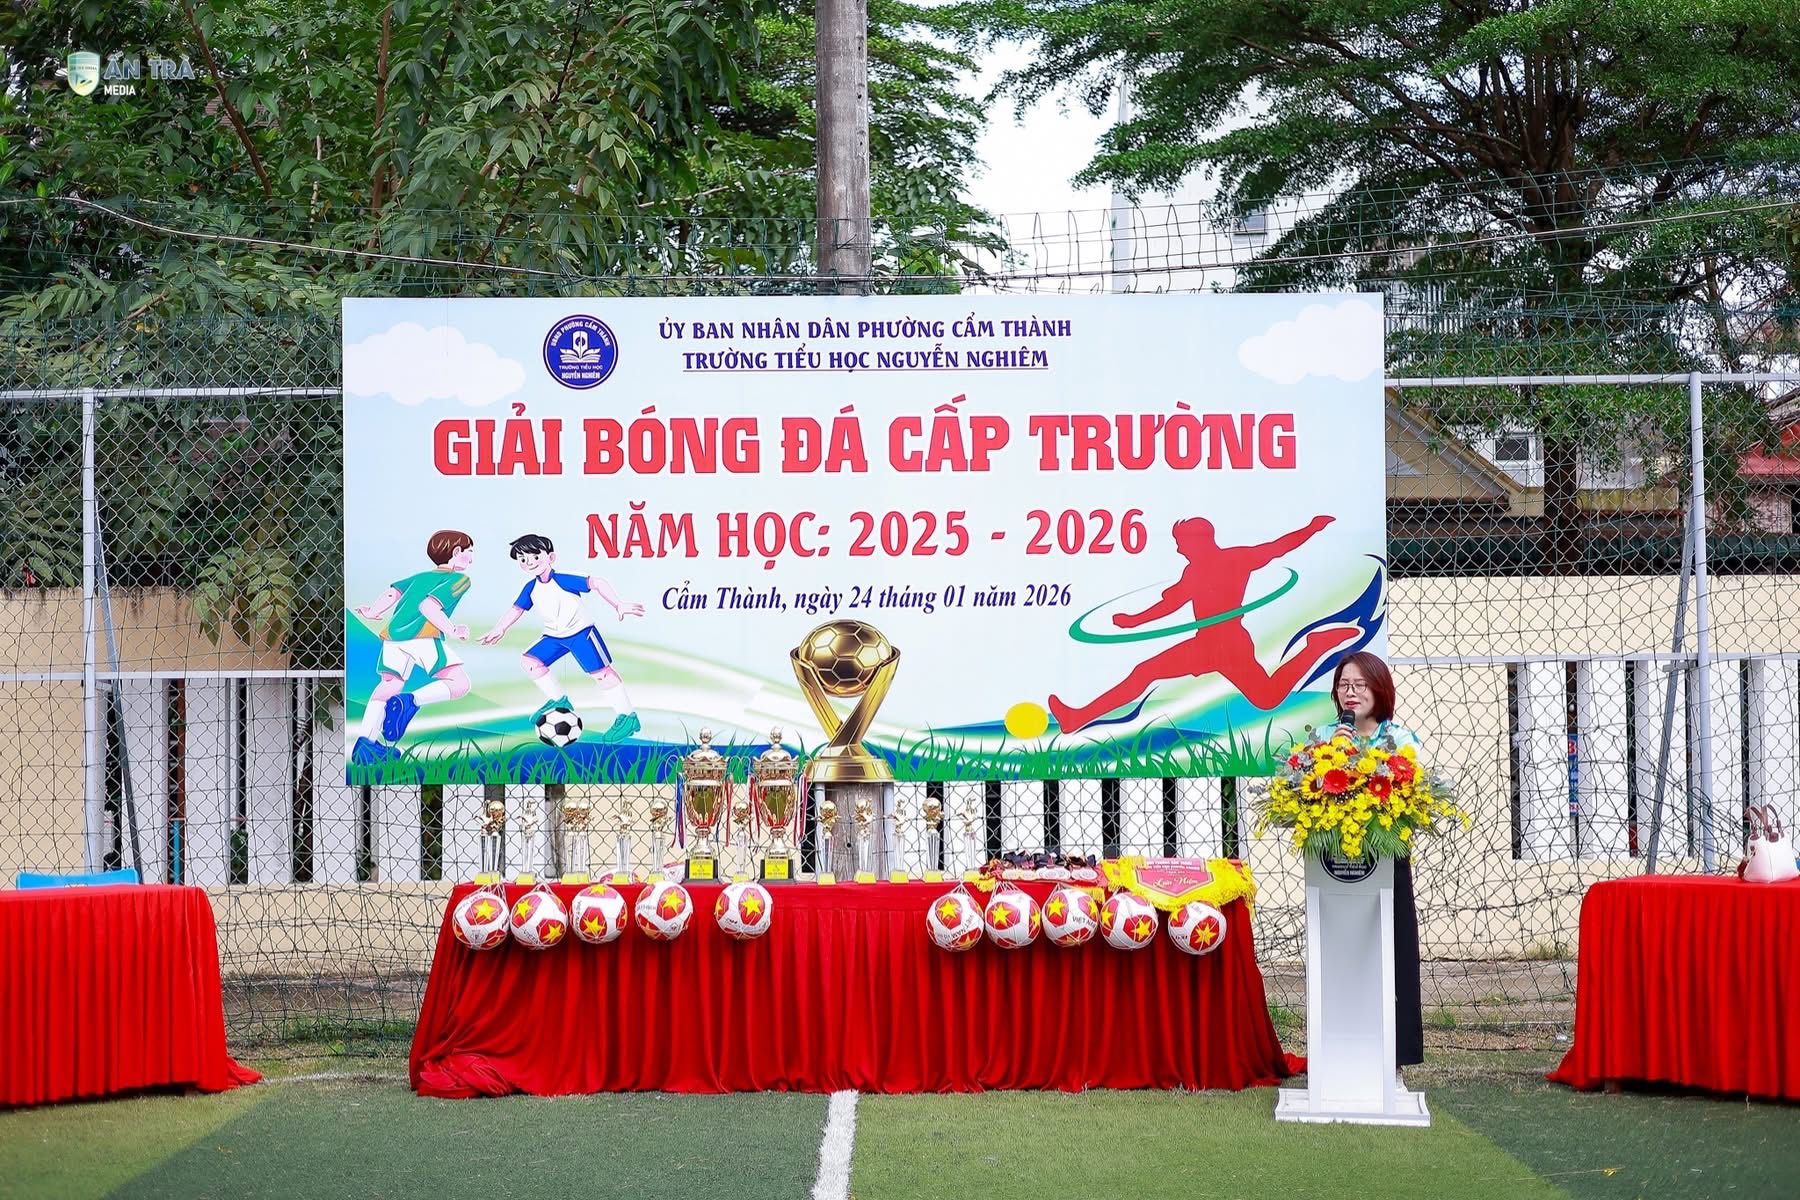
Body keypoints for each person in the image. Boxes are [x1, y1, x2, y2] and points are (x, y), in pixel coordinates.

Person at [1048, 515, 1357, 734]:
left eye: (1181, 543)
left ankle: (1314, 647)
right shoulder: (1192, 572)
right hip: (1204, 643)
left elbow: (1278, 547)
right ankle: (1077, 718)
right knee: (1144, 672)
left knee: (1267, 699)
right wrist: (1133, 621)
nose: (1179, 549)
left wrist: (1310, 529)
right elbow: (1170, 604)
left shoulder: (1236, 559)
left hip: (1231, 643)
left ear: (1198, 541)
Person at [1329, 649, 1425, 1070]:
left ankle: (1397, 1054)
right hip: (1336, 863)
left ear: (1379, 689)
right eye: (1344, 685)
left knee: (1394, 950)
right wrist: (1334, 756)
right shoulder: (1327, 737)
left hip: (1386, 858)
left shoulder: (1400, 739)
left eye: (1359, 685)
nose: (1350, 693)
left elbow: (1409, 790)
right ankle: (1339, 1048)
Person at [479, 533, 645, 741]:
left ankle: (628, 717)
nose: (529, 562)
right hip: (554, 636)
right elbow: (517, 609)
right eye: (523, 559)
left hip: (581, 634)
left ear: (551, 557)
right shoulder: (531, 588)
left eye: (535, 556)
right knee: (530, 661)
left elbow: (597, 583)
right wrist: (500, 628)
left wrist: (618, 604)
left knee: (602, 674)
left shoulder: (564, 579)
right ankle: (559, 700)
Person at [349, 529, 475, 763]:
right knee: (460, 683)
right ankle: (410, 701)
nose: (472, 557)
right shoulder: (459, 579)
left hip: (393, 638)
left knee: (389, 685)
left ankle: (365, 744)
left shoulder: (419, 577)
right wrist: (453, 630)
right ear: (456, 552)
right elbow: (428, 607)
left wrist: (373, 611)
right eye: (469, 551)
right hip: (422, 637)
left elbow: (392, 593)